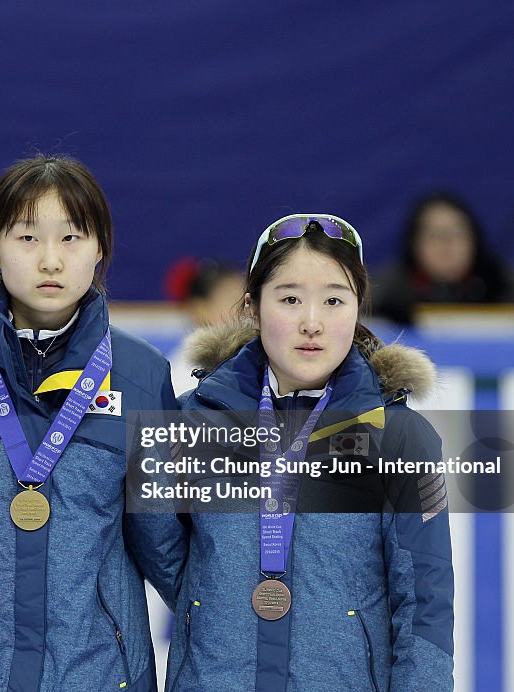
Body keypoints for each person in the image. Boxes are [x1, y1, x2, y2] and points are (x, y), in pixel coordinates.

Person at [0, 154, 183, 691]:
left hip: (100, 676)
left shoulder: (141, 377)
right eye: (28, 237)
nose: (50, 260)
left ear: (99, 251)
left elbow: (171, 552)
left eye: (71, 238)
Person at [167, 214, 454, 690]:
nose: (312, 322)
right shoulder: (191, 422)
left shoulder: (402, 437)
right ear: (253, 307)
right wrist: (212, 601)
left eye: (334, 300)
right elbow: (161, 548)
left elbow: (424, 598)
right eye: (290, 298)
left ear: (358, 309)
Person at [372, 192, 514, 324]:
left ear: (474, 241)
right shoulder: (385, 294)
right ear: (414, 243)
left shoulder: (506, 287)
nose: (446, 244)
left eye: (457, 234)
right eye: (435, 235)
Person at [161, 257, 245, 394]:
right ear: (200, 309)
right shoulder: (180, 376)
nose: (246, 309)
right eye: (233, 300)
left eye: (248, 299)